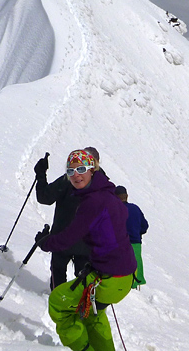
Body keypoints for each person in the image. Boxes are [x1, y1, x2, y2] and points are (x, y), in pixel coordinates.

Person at [36, 149, 137, 351]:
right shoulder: (108, 193)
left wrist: (44, 242)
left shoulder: (93, 201)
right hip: (123, 276)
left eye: (81, 169)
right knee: (92, 313)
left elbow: (68, 237)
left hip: (108, 277)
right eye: (70, 171)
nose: (76, 175)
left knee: (57, 301)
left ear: (93, 169)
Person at [34, 146, 101, 290]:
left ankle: (58, 299)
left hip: (62, 237)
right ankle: (80, 301)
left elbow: (45, 197)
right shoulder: (103, 185)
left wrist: (41, 175)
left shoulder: (69, 179)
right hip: (88, 242)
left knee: (58, 275)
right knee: (84, 281)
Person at [115, 185, 149, 289]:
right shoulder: (135, 208)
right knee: (136, 262)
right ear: (126, 196)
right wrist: (137, 233)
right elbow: (144, 226)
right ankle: (136, 283)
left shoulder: (115, 209)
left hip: (120, 243)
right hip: (136, 242)